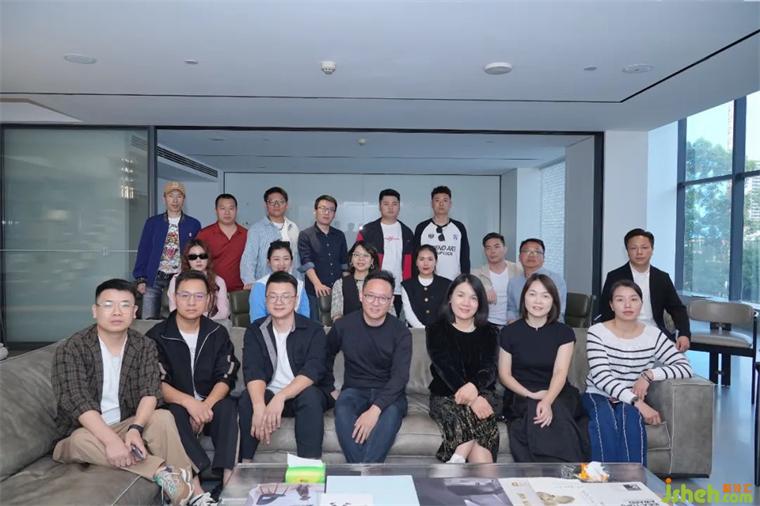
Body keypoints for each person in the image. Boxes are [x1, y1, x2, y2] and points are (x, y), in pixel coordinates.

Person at [51, 278, 200, 506]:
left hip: (126, 424)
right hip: (86, 431)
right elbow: (77, 401)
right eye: (108, 305)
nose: (117, 312)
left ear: (134, 312)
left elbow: (150, 391)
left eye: (125, 305)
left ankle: (193, 492)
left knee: (162, 417)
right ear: (95, 311)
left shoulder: (144, 345)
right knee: (80, 440)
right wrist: (111, 441)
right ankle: (161, 472)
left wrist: (135, 428)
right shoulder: (72, 348)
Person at [147, 271, 240, 503]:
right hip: (177, 403)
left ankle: (229, 483)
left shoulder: (217, 333)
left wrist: (205, 406)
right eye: (185, 295)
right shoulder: (157, 335)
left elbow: (227, 375)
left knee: (228, 407)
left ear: (209, 299)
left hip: (210, 403)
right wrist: (190, 403)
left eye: (199, 296)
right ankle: (195, 490)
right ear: (173, 298)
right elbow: (156, 381)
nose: (191, 302)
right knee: (173, 413)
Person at [583, 279, 693, 465]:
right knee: (605, 418)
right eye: (620, 300)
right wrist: (638, 403)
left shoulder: (653, 334)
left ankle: (633, 479)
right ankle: (602, 478)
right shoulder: (597, 332)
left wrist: (649, 375)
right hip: (598, 394)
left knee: (631, 417)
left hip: (630, 397)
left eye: (633, 299)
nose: (627, 305)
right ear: (611, 305)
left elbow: (685, 367)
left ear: (641, 304)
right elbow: (602, 378)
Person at [238, 271, 334, 461]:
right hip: (269, 392)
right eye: (273, 296)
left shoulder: (314, 330)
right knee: (248, 398)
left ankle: (308, 467)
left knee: (310, 396)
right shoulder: (256, 330)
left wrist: (280, 397)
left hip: (302, 393)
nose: (278, 302)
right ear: (265, 300)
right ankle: (244, 466)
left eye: (285, 296)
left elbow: (313, 370)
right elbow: (253, 369)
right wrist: (259, 405)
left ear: (295, 300)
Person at [498, 273, 589, 463]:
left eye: (545, 296)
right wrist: (530, 394)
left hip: (557, 390)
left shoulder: (564, 333)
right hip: (520, 392)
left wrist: (547, 400)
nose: (538, 301)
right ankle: (543, 470)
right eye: (532, 294)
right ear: (524, 297)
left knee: (557, 409)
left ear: (553, 301)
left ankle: (566, 470)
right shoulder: (509, 332)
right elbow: (505, 375)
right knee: (533, 411)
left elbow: (560, 372)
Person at [326, 270, 412, 463]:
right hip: (354, 390)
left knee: (392, 413)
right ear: (361, 296)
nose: (376, 303)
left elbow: (400, 377)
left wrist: (375, 410)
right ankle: (369, 472)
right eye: (370, 296)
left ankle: (361, 471)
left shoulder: (401, 332)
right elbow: (324, 356)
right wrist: (329, 387)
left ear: (391, 301)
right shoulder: (344, 326)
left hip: (390, 394)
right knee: (342, 407)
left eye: (383, 298)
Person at [425, 274, 499, 463]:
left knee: (481, 411)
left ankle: (456, 460)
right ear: (450, 297)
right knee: (476, 418)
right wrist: (471, 398)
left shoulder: (490, 332)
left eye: (473, 298)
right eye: (461, 295)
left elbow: (489, 367)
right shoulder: (436, 329)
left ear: (480, 303)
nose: (466, 303)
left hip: (483, 393)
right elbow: (445, 367)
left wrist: (474, 390)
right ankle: (464, 464)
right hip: (446, 395)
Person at [599, 228, 691, 352]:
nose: (639, 252)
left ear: (652, 250)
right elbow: (605, 311)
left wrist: (684, 334)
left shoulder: (662, 278)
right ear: (627, 251)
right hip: (623, 332)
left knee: (678, 361)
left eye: (644, 247)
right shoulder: (615, 276)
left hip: (654, 332)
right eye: (633, 248)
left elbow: (677, 309)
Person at [134, 181, 201, 319]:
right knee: (148, 320)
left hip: (180, 279)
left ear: (184, 199)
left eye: (179, 196)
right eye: (171, 196)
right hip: (154, 278)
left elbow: (197, 253)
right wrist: (140, 278)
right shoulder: (153, 223)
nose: (175, 200)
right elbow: (144, 250)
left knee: (180, 319)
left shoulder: (193, 224)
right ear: (164, 198)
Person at [356, 189, 414, 315]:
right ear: (379, 206)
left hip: (398, 289)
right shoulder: (367, 231)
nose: (390, 207)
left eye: (394, 204)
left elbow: (410, 264)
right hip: (372, 288)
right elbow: (357, 259)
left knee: (392, 323)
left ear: (399, 207)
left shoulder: (407, 233)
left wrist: (408, 287)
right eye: (386, 204)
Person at [297, 195, 348, 321]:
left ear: (334, 214)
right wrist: (318, 284)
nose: (327, 212)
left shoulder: (339, 235)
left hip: (338, 292)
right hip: (315, 292)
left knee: (339, 326)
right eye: (323, 208)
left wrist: (347, 288)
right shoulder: (305, 235)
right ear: (315, 211)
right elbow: (307, 263)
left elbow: (344, 265)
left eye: (331, 210)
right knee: (316, 326)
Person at [241, 187, 300, 289]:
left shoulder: (293, 227)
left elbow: (297, 260)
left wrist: (299, 283)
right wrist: (250, 283)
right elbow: (248, 259)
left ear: (286, 205)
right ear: (266, 205)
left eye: (281, 202)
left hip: (291, 286)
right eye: (272, 202)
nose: (276, 205)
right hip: (266, 286)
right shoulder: (256, 229)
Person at [413, 186, 470, 280]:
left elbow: (465, 258)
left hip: (454, 282)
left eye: (445, 200)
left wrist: (465, 280)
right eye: (437, 200)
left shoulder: (459, 227)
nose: (441, 204)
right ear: (431, 204)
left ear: (450, 204)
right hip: (427, 281)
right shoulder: (421, 228)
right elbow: (415, 258)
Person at [167, 239, 230, 321]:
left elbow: (224, 312)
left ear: (208, 258)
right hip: (184, 322)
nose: (198, 260)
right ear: (187, 260)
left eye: (203, 256)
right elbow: (173, 309)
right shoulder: (176, 279)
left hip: (211, 322)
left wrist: (204, 321)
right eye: (193, 257)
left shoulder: (218, 281)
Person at [506, 238, 566, 323]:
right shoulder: (513, 283)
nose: (531, 255)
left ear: (543, 258)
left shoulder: (556, 280)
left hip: (550, 325)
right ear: (519, 257)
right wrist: (512, 321)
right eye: (527, 251)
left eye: (537, 252)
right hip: (520, 327)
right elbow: (511, 309)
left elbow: (558, 311)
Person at [196, 193, 247, 292]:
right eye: (223, 208)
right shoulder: (205, 234)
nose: (227, 212)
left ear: (236, 210)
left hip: (240, 292)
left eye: (231, 208)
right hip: (212, 290)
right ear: (216, 210)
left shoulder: (247, 235)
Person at [472, 232, 523, 327]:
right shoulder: (477, 274)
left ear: (505, 249)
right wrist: (483, 293)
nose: (492, 251)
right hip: (487, 324)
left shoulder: (519, 270)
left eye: (497, 247)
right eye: (488, 248)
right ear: (484, 251)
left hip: (515, 323)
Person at [250, 241, 309, 321]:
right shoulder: (259, 286)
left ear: (291, 262)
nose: (281, 263)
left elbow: (305, 318)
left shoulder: (299, 285)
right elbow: (257, 320)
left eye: (286, 259)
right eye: (276, 259)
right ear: (268, 262)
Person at [401, 245, 451, 328]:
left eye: (430, 259)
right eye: (421, 259)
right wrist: (424, 330)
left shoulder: (447, 284)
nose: (426, 263)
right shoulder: (407, 285)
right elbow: (409, 314)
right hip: (415, 332)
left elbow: (448, 312)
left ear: (435, 262)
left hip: (441, 331)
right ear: (416, 262)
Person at [331, 241, 380, 322]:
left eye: (366, 255)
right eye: (357, 255)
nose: (361, 259)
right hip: (349, 327)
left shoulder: (381, 284)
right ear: (351, 259)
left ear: (372, 261)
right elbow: (337, 316)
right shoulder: (340, 284)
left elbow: (390, 314)